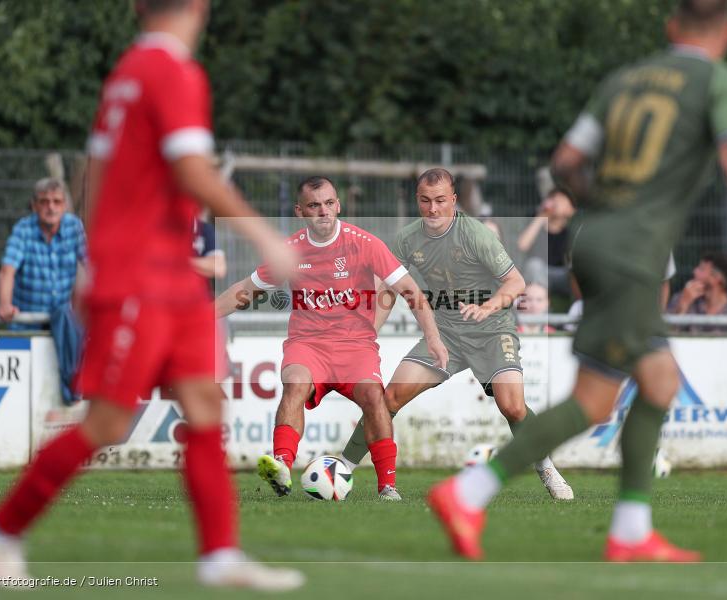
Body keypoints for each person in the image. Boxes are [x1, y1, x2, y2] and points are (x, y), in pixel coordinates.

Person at [428, 0, 727, 562]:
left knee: (659, 382)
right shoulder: (722, 82)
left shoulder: (625, 79)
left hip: (594, 239)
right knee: (594, 401)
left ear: (671, 26)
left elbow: (566, 162)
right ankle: (467, 494)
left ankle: (631, 531)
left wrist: (610, 205)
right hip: (637, 252)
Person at [0, 0, 303, 590]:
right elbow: (193, 172)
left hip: (167, 276)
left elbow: (96, 174)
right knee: (108, 421)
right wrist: (265, 236)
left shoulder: (126, 73)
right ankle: (0, 529)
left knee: (204, 403)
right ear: (198, 7)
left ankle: (220, 555)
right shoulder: (172, 71)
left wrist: (91, 258)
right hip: (141, 276)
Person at [340, 168, 573, 500]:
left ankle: (546, 467)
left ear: (453, 200)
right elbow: (389, 288)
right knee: (389, 398)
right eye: (425, 201)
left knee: (513, 407)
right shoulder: (407, 238)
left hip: (492, 330)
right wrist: (368, 335)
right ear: (417, 200)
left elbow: (516, 282)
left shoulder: (475, 234)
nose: (432, 209)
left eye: (440, 201)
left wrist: (487, 307)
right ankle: (341, 469)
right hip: (445, 333)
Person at [215, 176, 447, 501]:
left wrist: (433, 337)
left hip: (356, 347)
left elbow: (410, 290)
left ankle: (387, 486)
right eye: (314, 205)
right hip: (308, 344)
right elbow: (245, 289)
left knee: (374, 398)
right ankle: (281, 465)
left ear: (338, 205)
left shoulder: (364, 244)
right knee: (295, 384)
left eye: (328, 203)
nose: (323, 211)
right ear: (300, 211)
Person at [0, 178, 86, 329]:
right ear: (34, 206)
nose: (51, 207)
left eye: (57, 201)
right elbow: (7, 270)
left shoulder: (74, 227)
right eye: (44, 202)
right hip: (25, 323)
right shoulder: (23, 229)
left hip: (62, 324)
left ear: (64, 205)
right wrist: (5, 305)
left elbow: (92, 263)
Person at [517, 186, 576, 299]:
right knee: (534, 265)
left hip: (563, 274)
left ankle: (578, 307)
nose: (555, 203)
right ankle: (538, 306)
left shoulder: (573, 228)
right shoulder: (535, 222)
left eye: (561, 200)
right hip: (540, 273)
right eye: (552, 199)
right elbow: (522, 246)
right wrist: (541, 217)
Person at [667, 251, 727, 329]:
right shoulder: (682, 298)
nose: (694, 271)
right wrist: (683, 305)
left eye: (701, 269)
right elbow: (667, 332)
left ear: (717, 278)